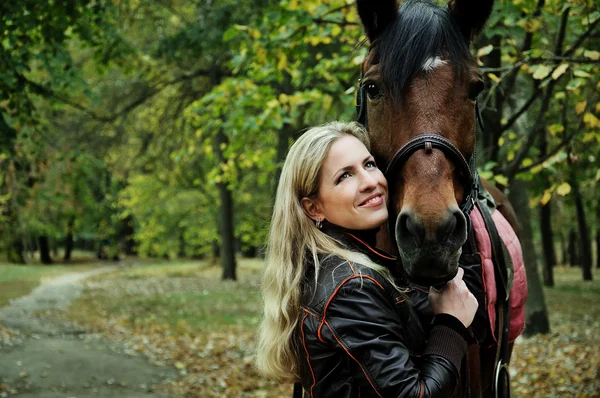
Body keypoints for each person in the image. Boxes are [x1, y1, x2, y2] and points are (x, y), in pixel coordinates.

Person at [256, 121, 478, 397]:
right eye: (345, 176)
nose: (371, 182)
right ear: (314, 208)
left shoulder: (342, 266)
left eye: (369, 165)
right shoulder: (351, 285)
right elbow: (412, 394)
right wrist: (451, 324)